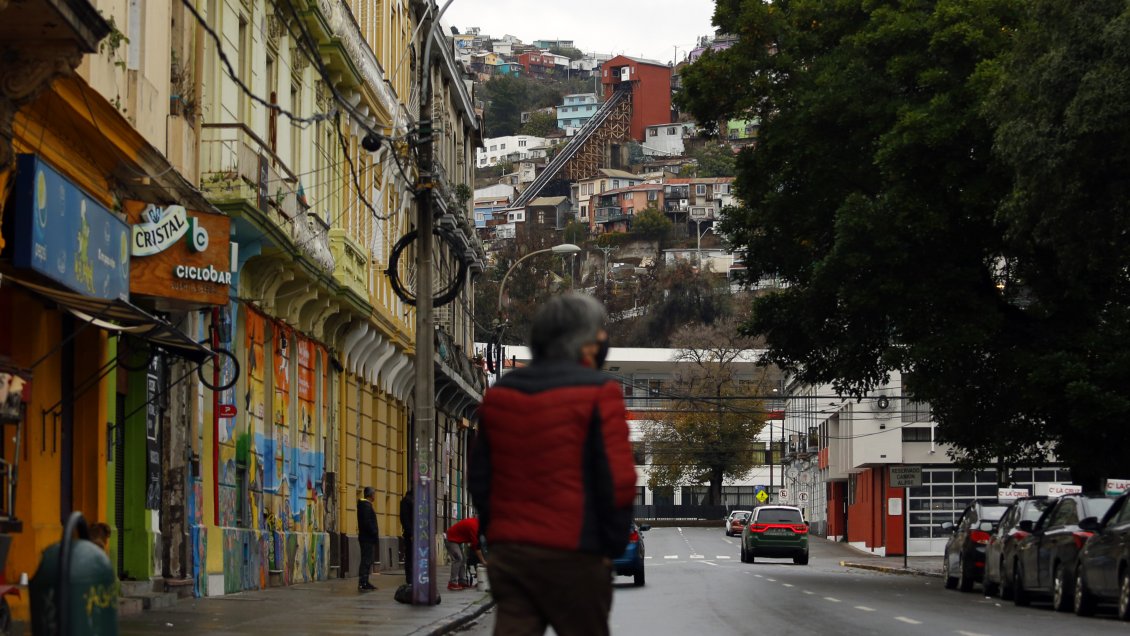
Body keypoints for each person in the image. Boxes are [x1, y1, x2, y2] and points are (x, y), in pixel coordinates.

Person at [470, 293, 637, 636]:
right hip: (576, 554)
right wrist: (610, 547)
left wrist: (496, 536)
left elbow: (481, 479)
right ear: (587, 344)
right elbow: (618, 481)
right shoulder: (600, 392)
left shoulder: (500, 395)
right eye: (599, 334)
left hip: (511, 555)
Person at [444, 517, 485, 591]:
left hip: (455, 539)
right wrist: (483, 561)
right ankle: (452, 583)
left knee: (463, 559)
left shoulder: (477, 523)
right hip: (450, 539)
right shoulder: (475, 527)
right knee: (458, 558)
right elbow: (476, 547)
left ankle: (462, 582)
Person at [357, 486, 379, 591]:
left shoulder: (366, 505)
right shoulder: (366, 506)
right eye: (374, 494)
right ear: (371, 495)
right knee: (366, 560)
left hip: (367, 537)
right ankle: (363, 582)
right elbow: (367, 522)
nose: (375, 496)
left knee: (367, 560)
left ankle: (365, 581)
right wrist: (373, 532)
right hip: (367, 538)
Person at [399, 490, 413, 585]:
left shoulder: (412, 500)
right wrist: (411, 533)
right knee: (410, 557)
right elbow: (405, 519)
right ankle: (410, 579)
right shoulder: (407, 501)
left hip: (415, 534)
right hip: (411, 535)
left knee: (412, 558)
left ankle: (412, 578)